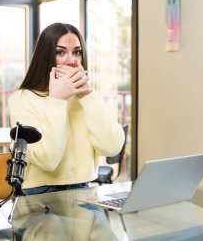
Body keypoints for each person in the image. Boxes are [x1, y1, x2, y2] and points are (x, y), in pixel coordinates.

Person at [8, 22, 125, 196]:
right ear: (46, 56)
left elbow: (112, 147)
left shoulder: (86, 99)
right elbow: (48, 160)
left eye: (77, 52)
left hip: (86, 191)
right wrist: (57, 99)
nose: (72, 61)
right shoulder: (22, 98)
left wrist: (88, 95)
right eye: (60, 52)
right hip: (40, 195)